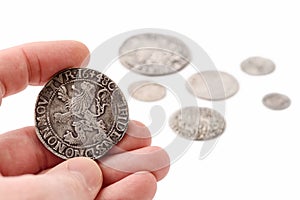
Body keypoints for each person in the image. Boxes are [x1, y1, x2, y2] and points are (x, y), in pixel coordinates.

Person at [0, 41, 170, 200]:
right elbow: (75, 109)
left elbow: (78, 110)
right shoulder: (80, 99)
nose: (81, 88)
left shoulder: (84, 100)